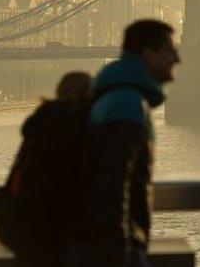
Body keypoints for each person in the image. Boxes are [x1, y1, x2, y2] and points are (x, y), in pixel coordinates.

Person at [68, 20, 180, 267]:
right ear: (148, 53)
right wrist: (118, 253)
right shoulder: (126, 104)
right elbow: (112, 185)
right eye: (169, 50)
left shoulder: (117, 96)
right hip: (111, 250)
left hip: (101, 245)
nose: (177, 58)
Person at [0, 71, 93, 266]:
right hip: (59, 233)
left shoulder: (40, 122)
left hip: (26, 229)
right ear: (84, 94)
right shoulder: (75, 126)